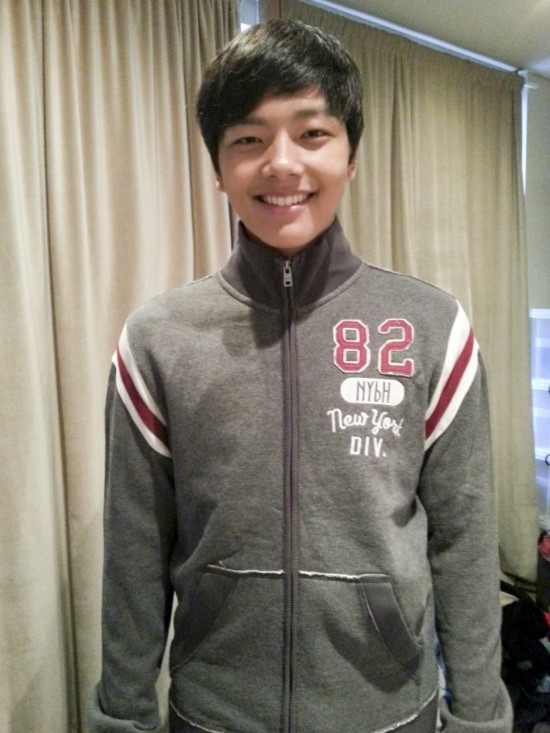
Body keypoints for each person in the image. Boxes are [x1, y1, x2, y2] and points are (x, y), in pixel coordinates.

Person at [88, 19, 513, 733]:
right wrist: (123, 719)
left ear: (351, 156)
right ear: (218, 168)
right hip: (214, 712)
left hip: (389, 711)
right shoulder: (157, 338)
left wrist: (478, 718)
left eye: (312, 134)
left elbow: (464, 542)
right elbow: (134, 555)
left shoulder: (433, 326)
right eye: (249, 140)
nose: (282, 164)